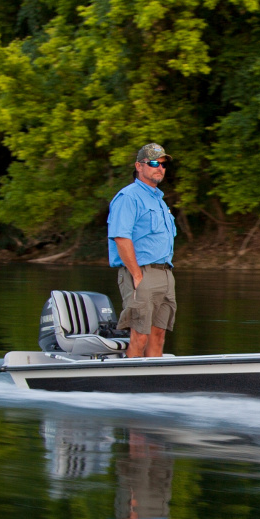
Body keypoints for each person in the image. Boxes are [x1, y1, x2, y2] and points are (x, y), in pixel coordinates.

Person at [108, 143, 178, 358]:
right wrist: (137, 274)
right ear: (139, 166)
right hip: (141, 274)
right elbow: (121, 237)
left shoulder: (158, 199)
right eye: (154, 163)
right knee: (140, 336)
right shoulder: (129, 197)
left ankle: (152, 387)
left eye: (163, 164)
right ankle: (129, 387)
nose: (160, 168)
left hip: (165, 273)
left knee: (159, 335)